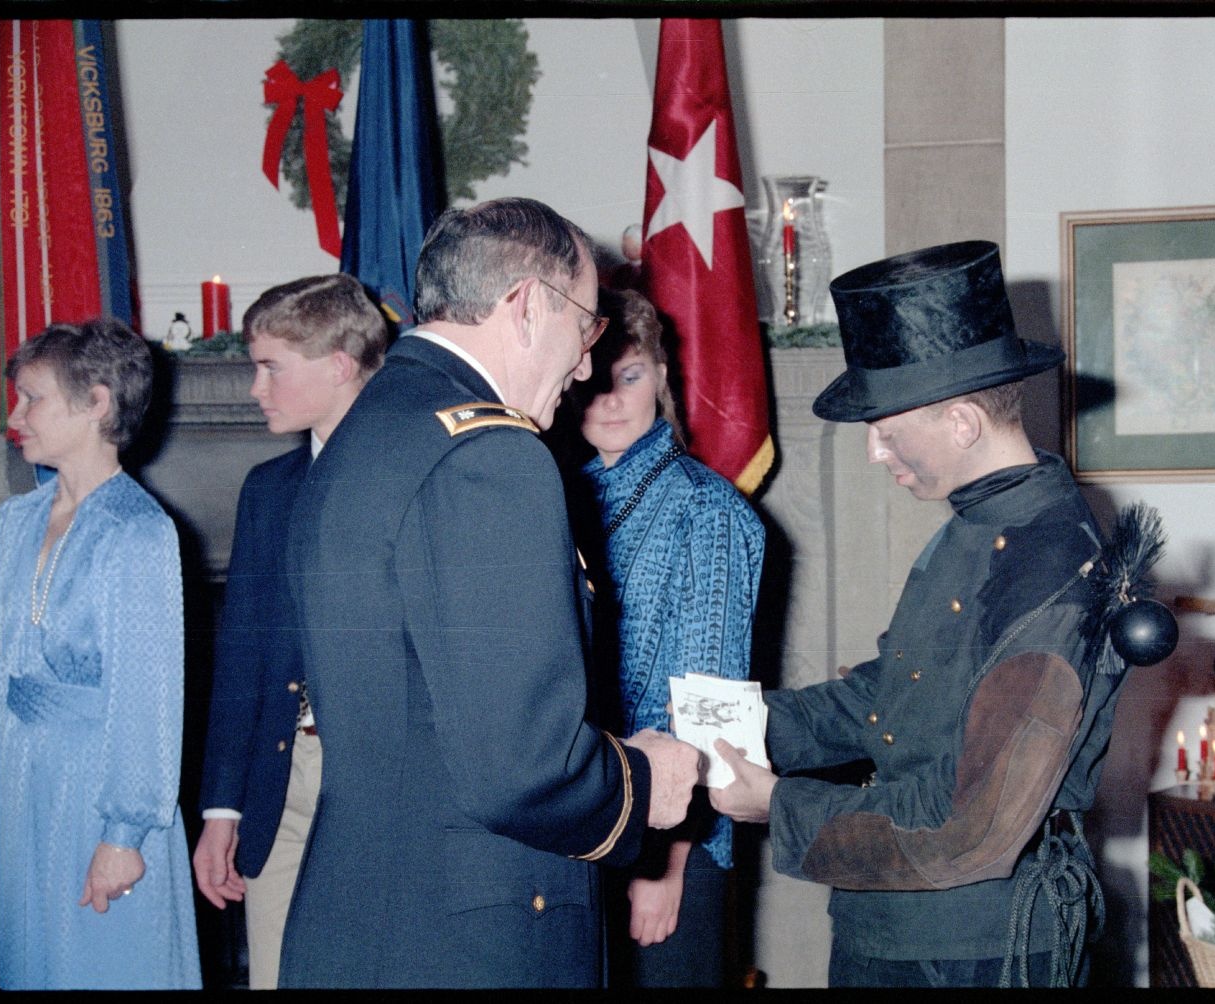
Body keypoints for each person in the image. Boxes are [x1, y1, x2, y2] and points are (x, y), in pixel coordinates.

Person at [279, 197, 700, 989]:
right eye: (584, 330)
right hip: (473, 937)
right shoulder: (491, 457)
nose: (584, 367)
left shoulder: (374, 424)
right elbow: (521, 766)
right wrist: (644, 782)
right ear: (528, 305)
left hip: (365, 913)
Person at [711, 242, 1143, 988]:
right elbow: (891, 697)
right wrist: (733, 724)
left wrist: (778, 803)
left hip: (971, 951)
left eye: (887, 428)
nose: (877, 453)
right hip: (906, 932)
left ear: (964, 421)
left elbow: (968, 831)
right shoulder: (981, 527)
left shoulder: (1047, 568)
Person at [192, 274, 389, 988]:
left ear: (339, 364)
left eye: (272, 367)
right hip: (282, 787)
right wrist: (222, 807)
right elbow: (240, 656)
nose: (255, 388)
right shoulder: (269, 489)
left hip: (384, 793)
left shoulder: (420, 475)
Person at [0, 317, 201, 989]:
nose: (14, 414)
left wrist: (124, 834)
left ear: (97, 402)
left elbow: (148, 697)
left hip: (95, 791)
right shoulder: (15, 519)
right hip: (17, 776)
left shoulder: (138, 532)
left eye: (33, 398)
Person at [568, 288, 765, 987]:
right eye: (594, 380)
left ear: (661, 378)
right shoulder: (567, 495)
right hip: (592, 822)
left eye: (631, 376)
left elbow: (711, 710)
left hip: (671, 839)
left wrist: (668, 865)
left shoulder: (706, 509)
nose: (611, 401)